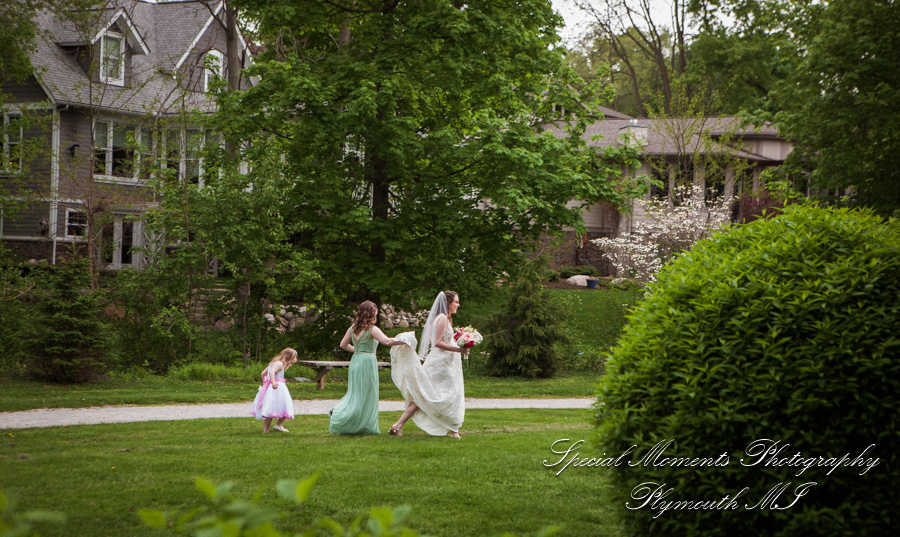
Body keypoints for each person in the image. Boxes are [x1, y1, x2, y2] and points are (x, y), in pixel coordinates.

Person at [388, 290, 468, 438]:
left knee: (424, 396)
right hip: (439, 364)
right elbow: (437, 343)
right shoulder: (442, 318)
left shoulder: (443, 318)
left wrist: (458, 341)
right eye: (456, 301)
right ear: (448, 303)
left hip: (443, 362)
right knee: (443, 394)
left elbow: (432, 340)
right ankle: (453, 430)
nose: (458, 304)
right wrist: (458, 349)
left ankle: (398, 425)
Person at [329, 301, 406, 434]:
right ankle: (339, 412)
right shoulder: (372, 329)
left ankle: (342, 413)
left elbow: (343, 344)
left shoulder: (352, 328)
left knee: (355, 393)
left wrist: (359, 351)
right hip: (368, 362)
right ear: (371, 315)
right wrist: (405, 340)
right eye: (375, 314)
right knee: (367, 394)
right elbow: (387, 341)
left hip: (356, 361)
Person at [250, 348, 298, 433]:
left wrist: (266, 382)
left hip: (272, 388)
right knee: (285, 405)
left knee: (270, 407)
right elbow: (272, 372)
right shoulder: (279, 364)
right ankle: (278, 424)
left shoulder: (274, 363)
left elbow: (263, 373)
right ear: (288, 356)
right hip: (278, 388)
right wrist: (273, 382)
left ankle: (267, 430)